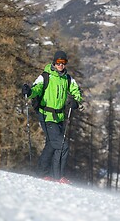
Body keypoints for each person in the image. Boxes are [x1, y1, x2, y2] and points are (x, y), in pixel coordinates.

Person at [22, 50, 82, 184]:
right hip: (46, 115)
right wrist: (29, 91)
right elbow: (36, 88)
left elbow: (76, 90)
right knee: (62, 145)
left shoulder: (67, 79)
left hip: (59, 117)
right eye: (59, 62)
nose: (61, 65)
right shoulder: (45, 76)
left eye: (63, 62)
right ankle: (58, 176)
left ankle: (41, 173)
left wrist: (76, 101)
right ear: (54, 62)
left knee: (51, 145)